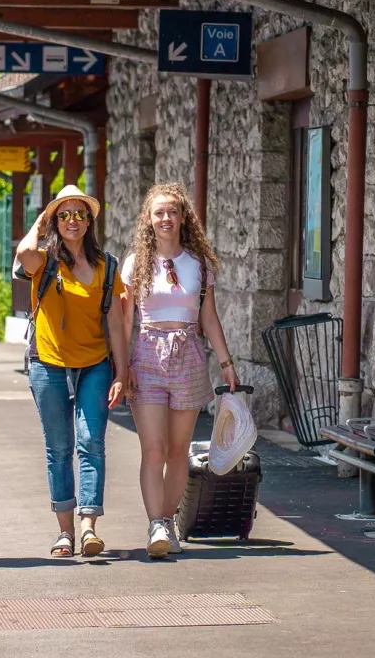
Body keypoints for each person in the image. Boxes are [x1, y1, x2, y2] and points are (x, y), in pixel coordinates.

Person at [120, 183, 236, 559]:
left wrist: (226, 363)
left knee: (177, 450)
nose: (166, 218)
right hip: (147, 354)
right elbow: (124, 322)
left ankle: (167, 522)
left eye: (172, 211)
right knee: (153, 449)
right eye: (158, 212)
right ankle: (155, 523)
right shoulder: (136, 262)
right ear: (148, 220)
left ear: (183, 216)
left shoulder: (198, 263)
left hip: (188, 354)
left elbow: (210, 317)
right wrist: (122, 368)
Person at [13, 184, 129, 558]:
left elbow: (114, 322)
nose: (72, 221)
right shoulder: (45, 260)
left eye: (80, 214)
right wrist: (43, 219)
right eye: (64, 215)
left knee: (91, 443)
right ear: (54, 220)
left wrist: (122, 372)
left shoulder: (106, 265)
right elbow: (23, 253)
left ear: (90, 220)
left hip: (95, 364)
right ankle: (64, 533)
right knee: (59, 449)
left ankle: (89, 527)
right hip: (48, 364)